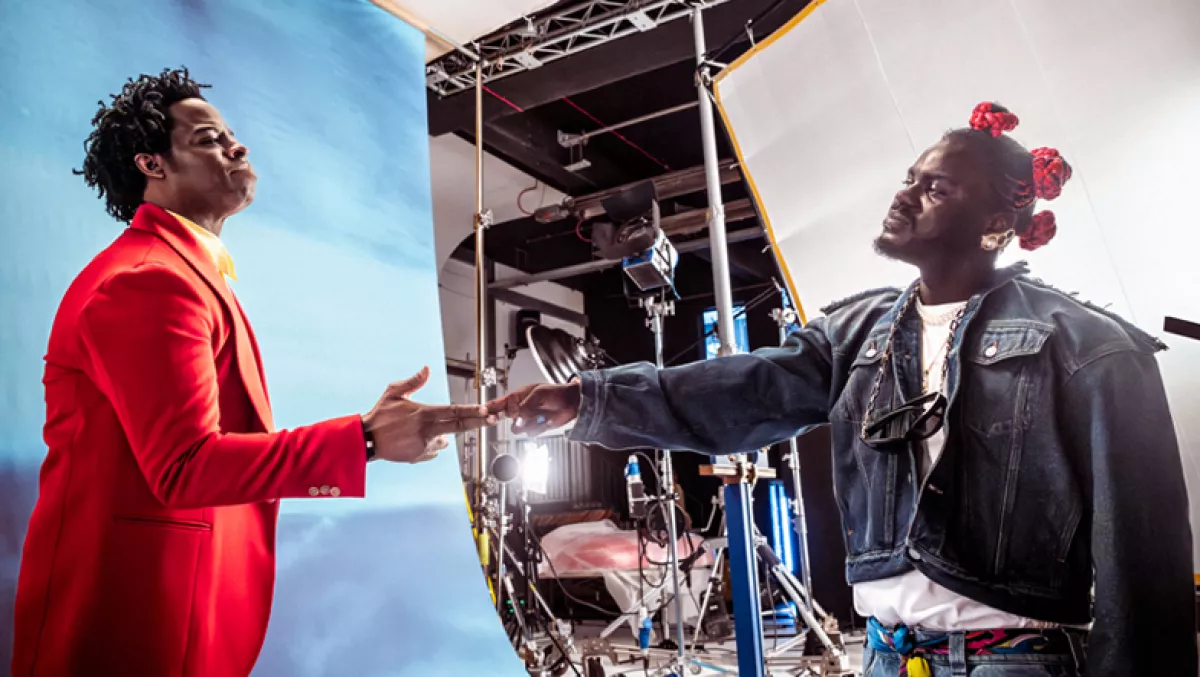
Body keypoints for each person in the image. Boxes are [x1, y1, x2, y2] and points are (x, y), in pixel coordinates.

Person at [492, 102, 1196, 676]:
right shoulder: (855, 331)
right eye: (910, 177)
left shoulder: (1092, 348)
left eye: (935, 187)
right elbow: (737, 392)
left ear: (994, 225)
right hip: (888, 656)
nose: (904, 194)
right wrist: (589, 400)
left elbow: (1147, 572)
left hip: (1022, 664)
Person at [11, 67, 493, 677]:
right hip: (134, 618)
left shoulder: (185, 273)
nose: (238, 146)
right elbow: (185, 467)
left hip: (170, 607)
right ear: (152, 165)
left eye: (232, 134)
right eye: (210, 139)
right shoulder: (149, 281)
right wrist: (365, 439)